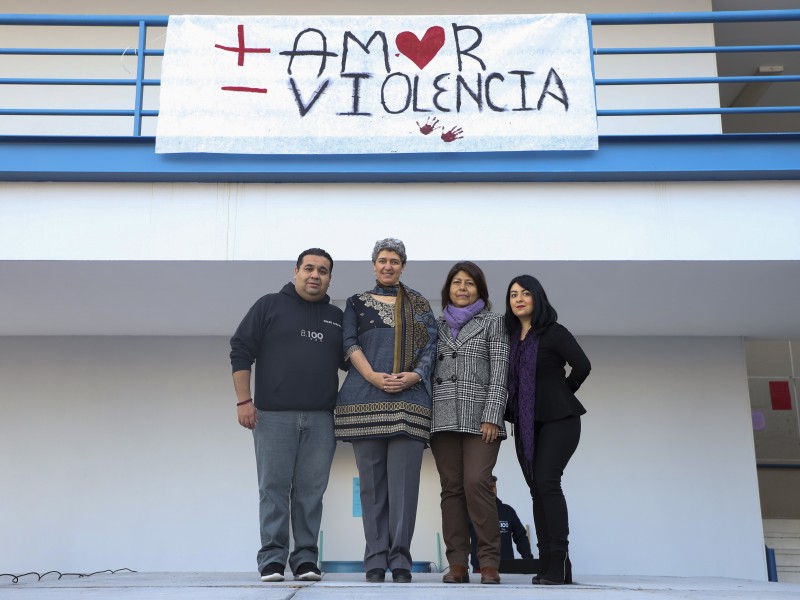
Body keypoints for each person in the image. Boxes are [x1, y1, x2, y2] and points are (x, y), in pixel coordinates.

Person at [229, 248, 344, 583]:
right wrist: (243, 401)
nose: (315, 275)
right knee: (273, 489)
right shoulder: (269, 305)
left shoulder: (336, 318)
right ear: (296, 271)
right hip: (272, 416)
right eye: (309, 268)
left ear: (329, 278)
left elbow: (351, 360)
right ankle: (272, 561)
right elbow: (240, 350)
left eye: (322, 270)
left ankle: (306, 560)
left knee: (311, 493)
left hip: (322, 419)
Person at [335, 238, 437, 584]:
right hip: (364, 398)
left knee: (405, 488)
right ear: (374, 265)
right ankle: (375, 559)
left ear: (403, 266)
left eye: (395, 260)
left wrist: (415, 375)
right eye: (382, 260)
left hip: (409, 401)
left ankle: (401, 560)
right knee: (372, 489)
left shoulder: (420, 304)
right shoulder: (356, 303)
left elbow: (431, 345)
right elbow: (349, 343)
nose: (388, 266)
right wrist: (373, 376)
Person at [504, 275, 591, 585]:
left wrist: (561, 395)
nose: (518, 299)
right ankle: (546, 563)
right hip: (526, 424)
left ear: (537, 297)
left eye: (525, 293)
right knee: (536, 489)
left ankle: (560, 562)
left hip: (560, 420)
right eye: (513, 294)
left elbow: (582, 365)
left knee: (547, 482)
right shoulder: (510, 338)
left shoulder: (554, 333)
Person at [430, 261, 509, 585]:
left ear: (480, 290)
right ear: (448, 288)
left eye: (469, 283)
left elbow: (501, 370)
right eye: (456, 282)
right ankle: (458, 564)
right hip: (442, 416)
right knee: (451, 490)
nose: (462, 288)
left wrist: (492, 414)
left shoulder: (493, 322)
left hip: (481, 419)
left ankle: (488, 562)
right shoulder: (434, 326)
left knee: (477, 483)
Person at [469, 476, 534, 573]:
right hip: (481, 569)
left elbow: (520, 537)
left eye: (493, 486)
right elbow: (462, 540)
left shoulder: (507, 511)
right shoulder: (472, 513)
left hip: (507, 567)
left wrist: (528, 561)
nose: (492, 489)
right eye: (487, 487)